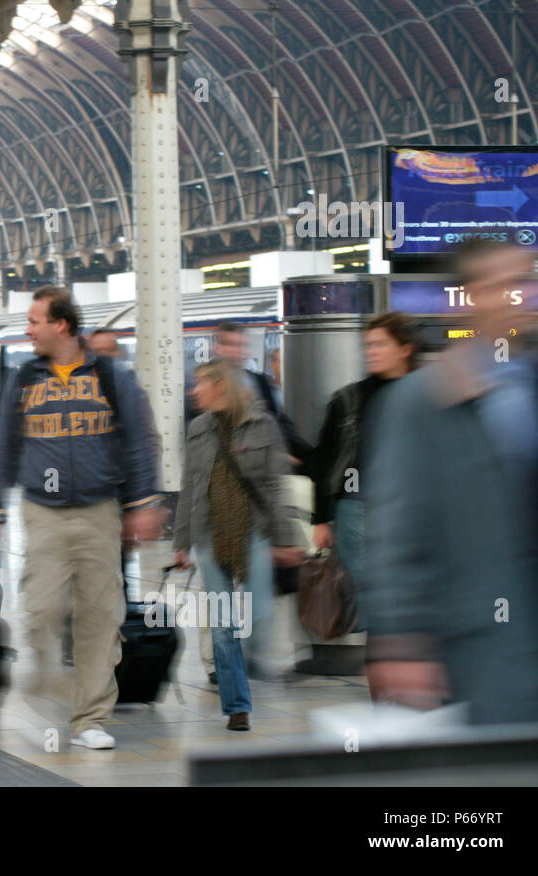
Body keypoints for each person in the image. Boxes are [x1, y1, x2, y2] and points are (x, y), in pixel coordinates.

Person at [362, 240, 538, 724]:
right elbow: (395, 528)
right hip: (478, 644)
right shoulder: (422, 400)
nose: (521, 297)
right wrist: (402, 640)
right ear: (469, 297)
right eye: (504, 286)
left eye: (526, 282)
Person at [0, 286, 163, 750]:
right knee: (41, 611)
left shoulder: (111, 377)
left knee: (101, 617)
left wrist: (142, 504)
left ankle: (90, 719)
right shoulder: (23, 380)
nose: (28, 329)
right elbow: (4, 450)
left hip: (99, 512)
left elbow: (137, 442)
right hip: (43, 513)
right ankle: (49, 683)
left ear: (61, 324)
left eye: (35, 321)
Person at [173, 359, 306, 731]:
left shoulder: (263, 425)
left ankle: (251, 662)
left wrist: (287, 539)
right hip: (209, 534)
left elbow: (277, 487)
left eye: (200, 384)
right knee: (222, 625)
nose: (194, 391)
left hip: (254, 532)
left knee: (259, 613)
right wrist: (181, 542)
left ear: (220, 386)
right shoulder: (198, 428)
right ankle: (237, 706)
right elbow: (189, 488)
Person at [308, 313, 418, 600]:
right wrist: (320, 519)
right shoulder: (348, 400)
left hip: (411, 507)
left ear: (405, 349)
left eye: (380, 344)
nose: (371, 352)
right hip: (357, 509)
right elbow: (324, 460)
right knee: (371, 599)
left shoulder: (427, 396)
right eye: (368, 345)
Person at [213, 323, 308, 464]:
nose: (235, 352)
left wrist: (305, 457)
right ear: (217, 349)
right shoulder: (205, 387)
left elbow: (280, 424)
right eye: (230, 345)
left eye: (240, 345)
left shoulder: (260, 382)